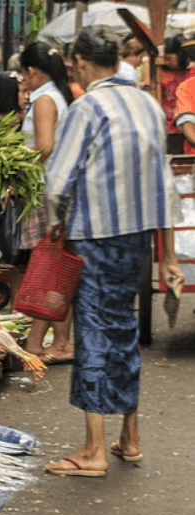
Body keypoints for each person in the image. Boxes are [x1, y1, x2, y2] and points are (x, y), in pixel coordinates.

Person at [42, 30, 182, 478]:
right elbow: (164, 181)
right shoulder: (145, 103)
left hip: (95, 234)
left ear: (81, 63)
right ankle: (131, 437)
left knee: (95, 333)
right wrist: (170, 253)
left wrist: (54, 224)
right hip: (137, 236)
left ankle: (93, 451)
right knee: (122, 328)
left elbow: (57, 180)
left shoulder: (86, 107)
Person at [16, 42, 74, 365]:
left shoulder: (45, 100)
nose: (23, 82)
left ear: (32, 72)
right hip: (50, 191)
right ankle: (45, 340)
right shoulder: (54, 96)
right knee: (49, 267)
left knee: (48, 268)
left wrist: (11, 162)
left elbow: (44, 147)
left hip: (44, 192)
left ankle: (52, 341)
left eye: (24, 75)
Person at [157, 37, 195, 153]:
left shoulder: (192, 72)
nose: (167, 62)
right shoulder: (161, 73)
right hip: (169, 126)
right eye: (165, 59)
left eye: (170, 59)